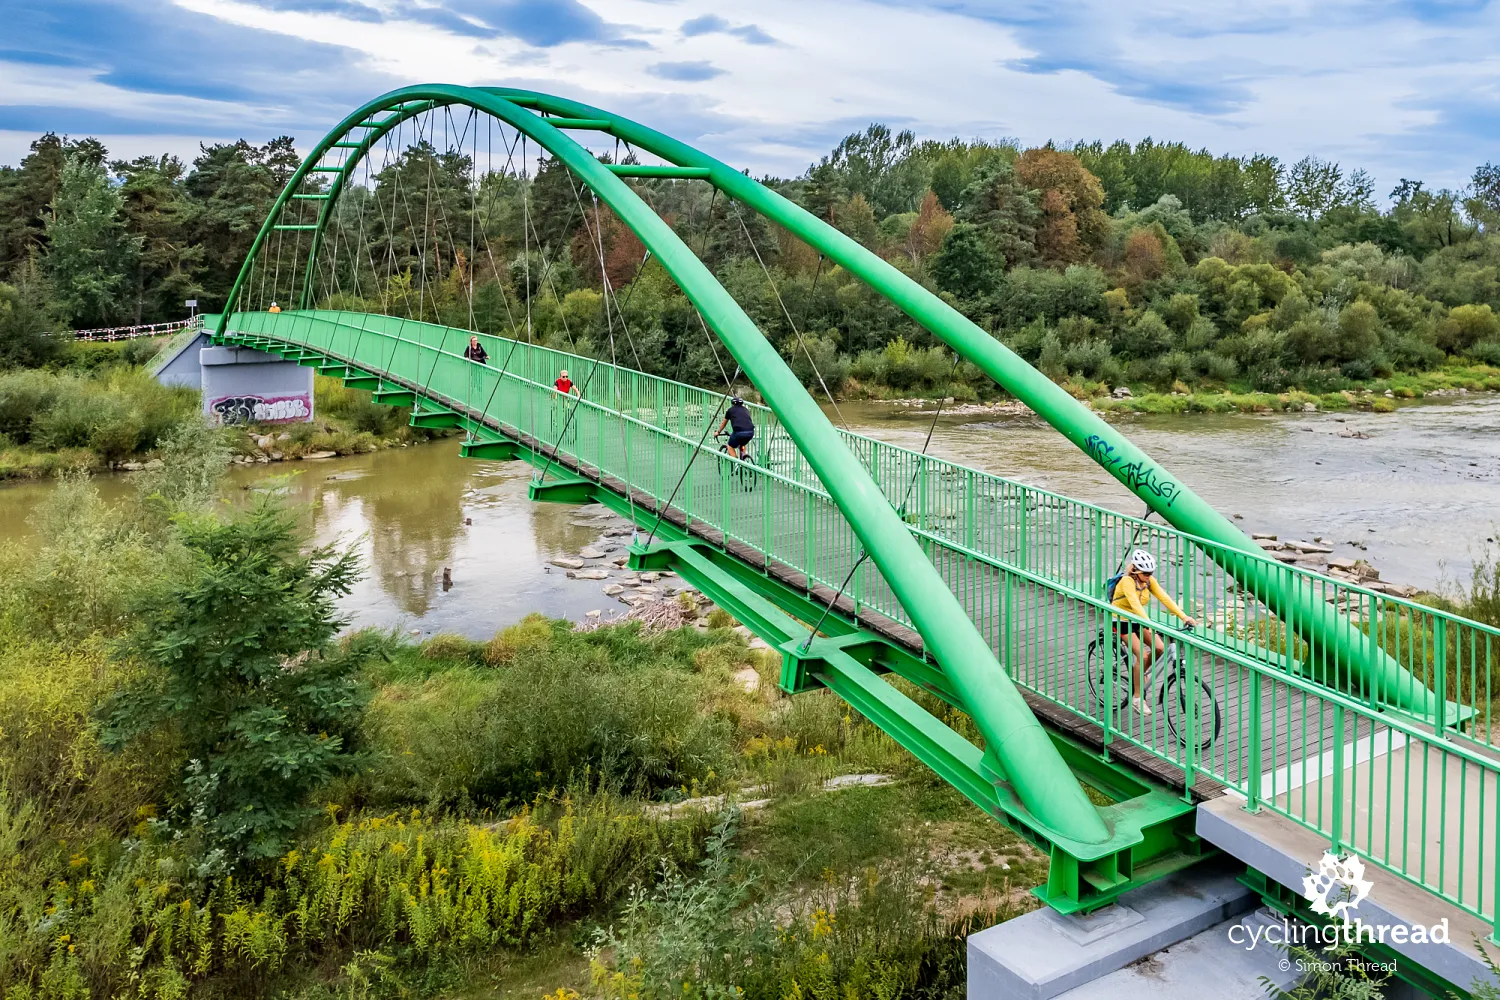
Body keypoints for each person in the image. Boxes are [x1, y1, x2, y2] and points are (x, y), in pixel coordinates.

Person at [1109, 549, 1197, 716]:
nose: (1149, 576)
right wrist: (1148, 623)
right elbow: (1134, 604)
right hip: (1121, 620)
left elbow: (1164, 598)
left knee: (1161, 648)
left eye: (1151, 573)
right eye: (1146, 573)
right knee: (1141, 655)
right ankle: (1137, 698)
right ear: (1136, 570)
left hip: (1138, 619)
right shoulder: (1127, 582)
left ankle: (1139, 673)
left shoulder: (1149, 581)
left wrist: (1184, 616)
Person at [718, 395, 754, 460]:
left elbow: (724, 423)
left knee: (730, 446)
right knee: (742, 444)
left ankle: (735, 462)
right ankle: (744, 461)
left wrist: (718, 432)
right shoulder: (746, 410)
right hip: (750, 432)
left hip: (739, 433)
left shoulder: (730, 410)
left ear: (732, 404)